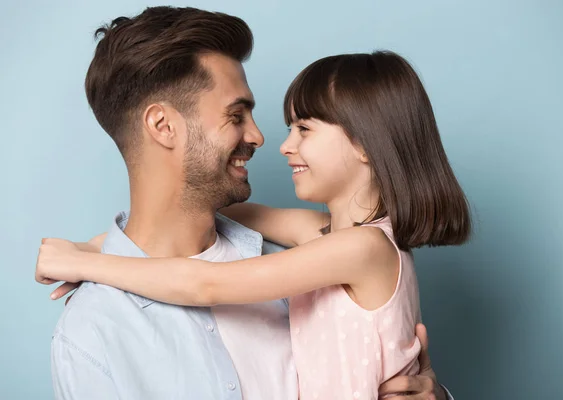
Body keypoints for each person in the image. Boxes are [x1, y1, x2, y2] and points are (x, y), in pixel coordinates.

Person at [36, 12, 464, 397]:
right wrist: (100, 246)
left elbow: (206, 284)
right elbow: (240, 219)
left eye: (303, 129)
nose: (266, 140)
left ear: (365, 144)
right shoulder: (94, 330)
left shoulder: (315, 261)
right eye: (236, 115)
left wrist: (88, 262)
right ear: (162, 126)